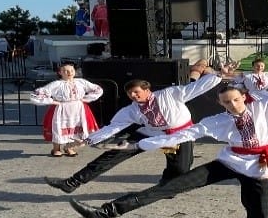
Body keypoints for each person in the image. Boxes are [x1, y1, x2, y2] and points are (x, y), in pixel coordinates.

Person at [69, 51, 268, 218]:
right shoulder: (217, 121)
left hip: (259, 167)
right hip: (228, 162)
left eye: (236, 100)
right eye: (226, 102)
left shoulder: (267, 106)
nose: (232, 105)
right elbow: (185, 134)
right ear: (221, 104)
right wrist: (139, 145)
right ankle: (104, 213)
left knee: (261, 215)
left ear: (243, 98)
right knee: (167, 188)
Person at [44, 59, 230, 193]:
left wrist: (219, 75)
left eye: (136, 92)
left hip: (179, 134)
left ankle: (166, 187)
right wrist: (87, 140)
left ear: (147, 90)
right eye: (130, 94)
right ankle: (73, 182)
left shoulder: (169, 94)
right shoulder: (132, 109)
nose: (133, 96)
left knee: (181, 170)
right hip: (148, 133)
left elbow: (195, 88)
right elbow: (113, 127)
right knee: (113, 154)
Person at [31, 61, 104, 157]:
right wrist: (52, 101)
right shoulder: (56, 84)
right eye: (65, 71)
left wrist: (86, 99)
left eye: (71, 70)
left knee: (78, 128)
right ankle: (56, 149)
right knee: (59, 128)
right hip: (61, 109)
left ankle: (69, 147)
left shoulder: (81, 82)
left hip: (78, 109)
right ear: (60, 72)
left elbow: (97, 89)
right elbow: (37, 94)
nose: (69, 73)